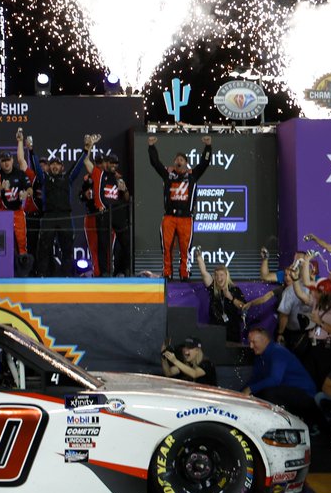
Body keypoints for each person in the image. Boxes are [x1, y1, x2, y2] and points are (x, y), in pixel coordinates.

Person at [147, 134, 213, 280]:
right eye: (176, 159)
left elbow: (205, 162)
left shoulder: (192, 175)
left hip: (186, 218)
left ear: (186, 163)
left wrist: (208, 147)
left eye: (181, 159)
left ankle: (184, 273)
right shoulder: (168, 174)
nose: (178, 161)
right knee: (167, 247)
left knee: (185, 248)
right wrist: (151, 146)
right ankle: (167, 273)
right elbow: (155, 163)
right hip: (169, 216)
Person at [243, 326, 322, 431]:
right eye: (250, 342)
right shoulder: (260, 356)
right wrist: (240, 394)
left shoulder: (278, 352)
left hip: (305, 395)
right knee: (258, 393)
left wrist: (250, 389)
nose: (251, 346)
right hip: (288, 392)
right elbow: (255, 378)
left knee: (268, 393)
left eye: (254, 342)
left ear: (265, 340)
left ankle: (285, 426)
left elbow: (274, 380)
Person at [84, 135, 131, 276]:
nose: (113, 165)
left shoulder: (118, 178)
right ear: (106, 164)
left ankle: (125, 270)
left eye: (115, 163)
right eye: (110, 162)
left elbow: (127, 199)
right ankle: (104, 272)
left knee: (125, 242)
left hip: (117, 212)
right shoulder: (99, 174)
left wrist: (125, 190)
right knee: (103, 244)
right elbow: (86, 161)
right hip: (103, 212)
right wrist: (90, 146)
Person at [34, 150, 83, 277]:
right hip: (48, 217)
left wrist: (85, 151)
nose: (55, 166)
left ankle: (67, 276)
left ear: (62, 167)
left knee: (67, 249)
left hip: (65, 217)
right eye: (52, 164)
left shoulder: (67, 178)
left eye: (57, 164)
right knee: (44, 249)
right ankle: (42, 275)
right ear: (49, 167)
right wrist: (31, 151)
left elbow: (77, 166)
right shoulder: (44, 178)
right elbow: (37, 168)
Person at [0, 129, 36, 265]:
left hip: (18, 212)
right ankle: (3, 267)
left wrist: (25, 194)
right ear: (0, 162)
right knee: (3, 242)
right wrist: (1, 188)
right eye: (3, 161)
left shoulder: (19, 173)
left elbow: (30, 189)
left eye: (8, 160)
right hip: (2, 212)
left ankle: (23, 268)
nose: (6, 163)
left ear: (12, 160)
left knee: (21, 241)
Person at [196, 253, 246, 343]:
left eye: (221, 275)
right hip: (215, 329)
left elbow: (243, 306)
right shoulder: (213, 288)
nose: (219, 277)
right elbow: (204, 272)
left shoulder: (235, 290)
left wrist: (231, 297)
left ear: (227, 276)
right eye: (216, 275)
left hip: (232, 330)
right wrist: (199, 256)